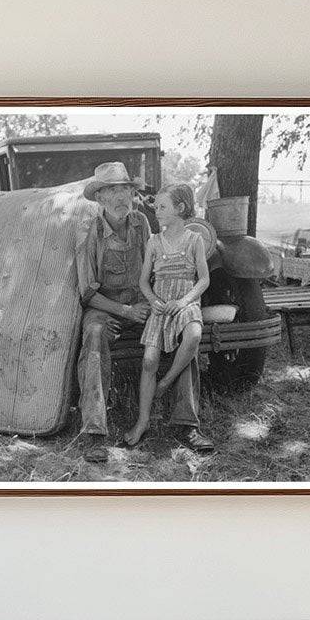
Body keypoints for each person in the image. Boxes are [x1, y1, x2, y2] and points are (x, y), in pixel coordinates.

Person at [75, 163, 214, 462]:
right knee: (94, 336)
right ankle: (94, 433)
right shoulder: (90, 233)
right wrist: (124, 310)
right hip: (107, 310)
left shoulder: (141, 224)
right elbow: (86, 292)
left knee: (183, 333)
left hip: (144, 307)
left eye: (125, 189)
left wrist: (163, 304)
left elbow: (155, 272)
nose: (120, 197)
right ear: (100, 198)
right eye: (112, 190)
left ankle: (186, 424)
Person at [125, 184, 210, 447]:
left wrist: (185, 301)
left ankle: (167, 382)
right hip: (161, 305)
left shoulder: (195, 239)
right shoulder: (154, 242)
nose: (156, 211)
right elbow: (143, 282)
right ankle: (142, 422)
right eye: (156, 206)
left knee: (194, 334)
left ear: (180, 209)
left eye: (162, 207)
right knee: (149, 360)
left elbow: (203, 279)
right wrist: (153, 301)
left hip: (185, 303)